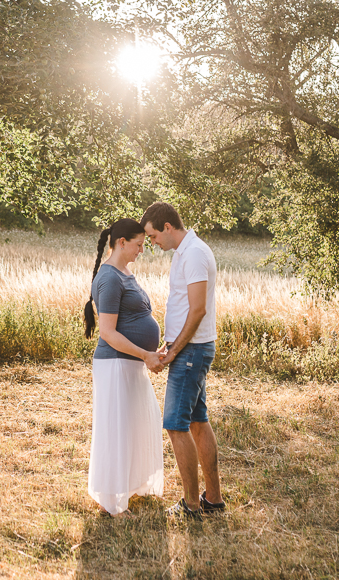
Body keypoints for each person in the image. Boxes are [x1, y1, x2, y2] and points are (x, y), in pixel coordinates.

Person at [141, 202, 225, 520]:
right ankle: (213, 499)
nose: (151, 243)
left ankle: (191, 505)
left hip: (191, 352)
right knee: (197, 422)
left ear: (166, 227)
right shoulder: (184, 252)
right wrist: (168, 344)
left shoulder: (194, 254)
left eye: (151, 236)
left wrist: (175, 352)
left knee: (175, 425)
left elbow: (198, 309)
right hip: (187, 348)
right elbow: (182, 306)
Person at [83, 218, 167, 516]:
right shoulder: (109, 278)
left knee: (135, 425)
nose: (142, 250)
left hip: (131, 364)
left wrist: (151, 351)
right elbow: (108, 332)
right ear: (121, 243)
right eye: (139, 245)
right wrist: (145, 355)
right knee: (117, 429)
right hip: (116, 365)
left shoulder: (125, 273)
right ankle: (111, 498)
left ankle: (132, 486)